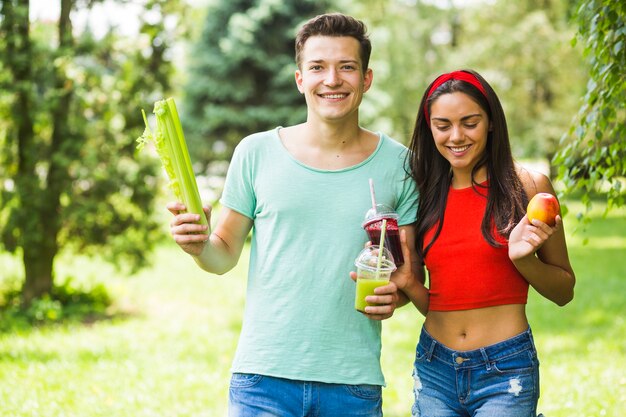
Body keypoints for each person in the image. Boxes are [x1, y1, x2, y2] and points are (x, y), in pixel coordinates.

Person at [166, 13, 418, 417]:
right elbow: (223, 253)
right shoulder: (256, 152)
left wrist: (397, 296)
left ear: (366, 79)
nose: (332, 79)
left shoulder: (400, 165)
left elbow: (407, 275)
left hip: (352, 383)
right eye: (317, 67)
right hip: (262, 380)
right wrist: (198, 245)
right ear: (300, 79)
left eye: (347, 67)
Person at [392, 69, 576, 417]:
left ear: (491, 122)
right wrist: (408, 284)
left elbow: (564, 292)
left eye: (469, 122)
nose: (456, 136)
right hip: (434, 367)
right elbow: (442, 303)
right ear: (429, 127)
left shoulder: (530, 187)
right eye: (442, 125)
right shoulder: (424, 193)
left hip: (505, 371)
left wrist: (524, 261)